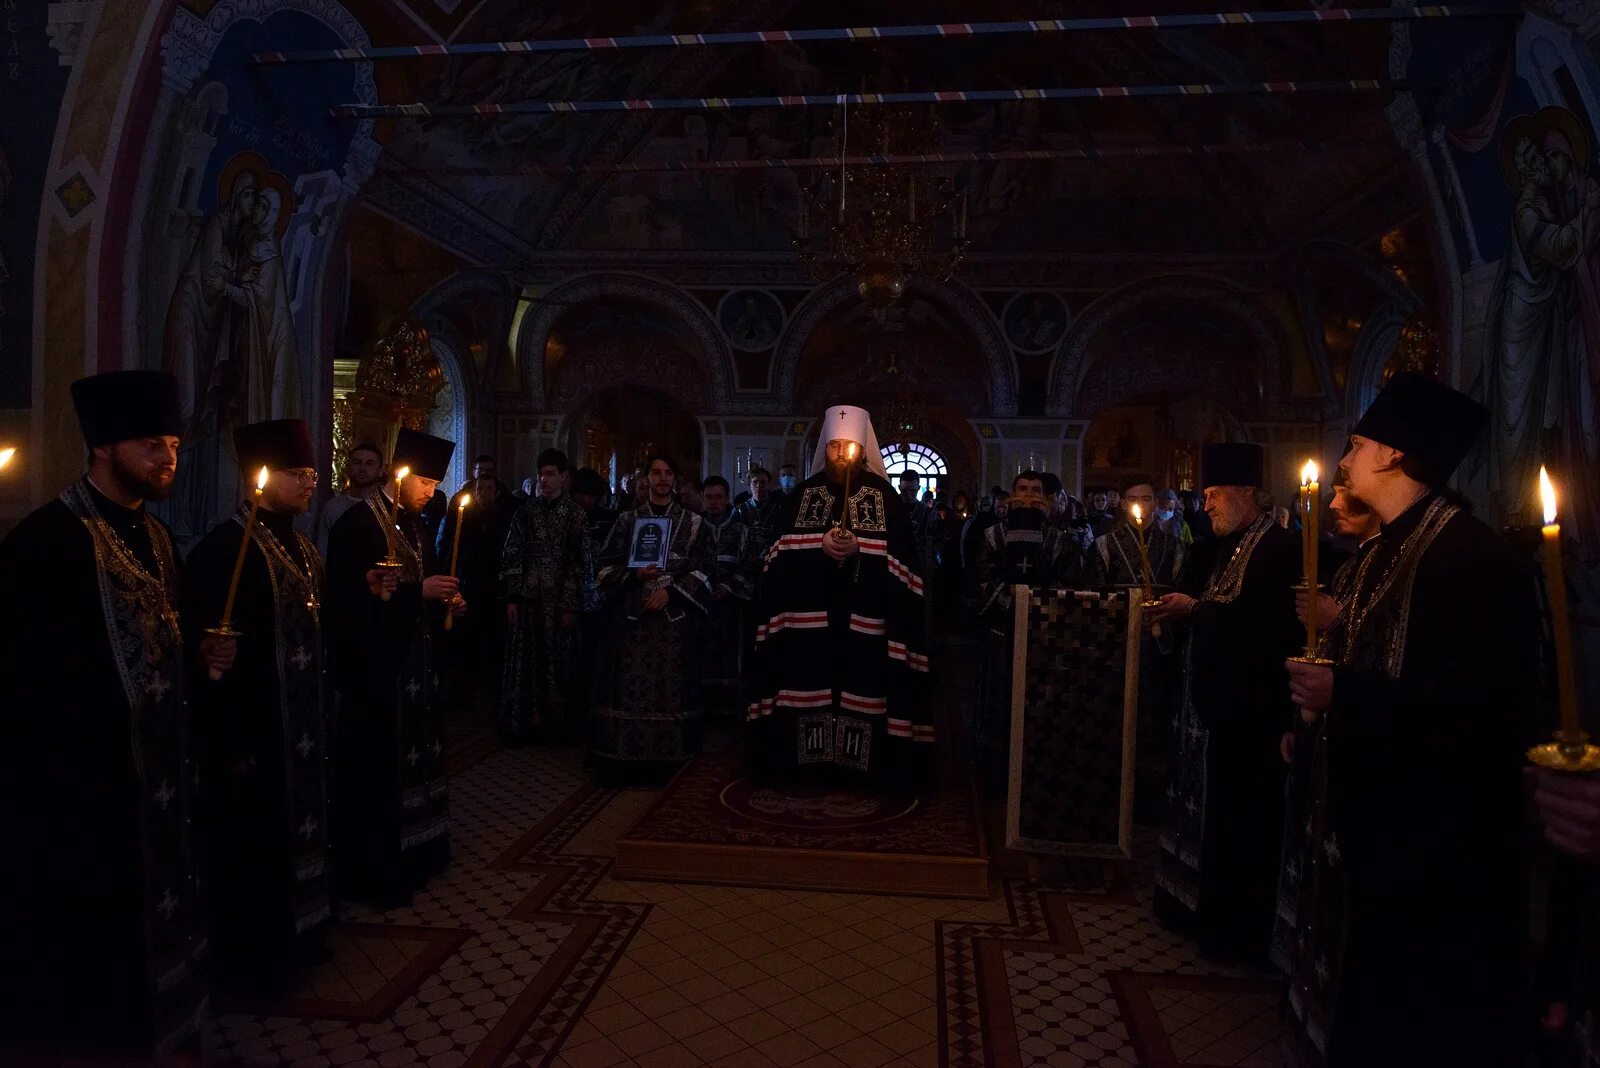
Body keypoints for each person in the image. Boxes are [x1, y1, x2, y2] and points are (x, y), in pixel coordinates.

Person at [1281, 374, 1533, 1067]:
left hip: (1429, 842)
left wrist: (1345, 698)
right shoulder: (1381, 550)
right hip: (1367, 825)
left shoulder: (1471, 558)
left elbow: (1482, 709)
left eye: (1357, 446)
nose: (1344, 461)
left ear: (1393, 455)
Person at [0, 371, 231, 1054]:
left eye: (172, 443)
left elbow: (164, 651)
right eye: (151, 445)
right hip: (83, 795)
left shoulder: (158, 540)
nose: (168, 458)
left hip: (158, 785)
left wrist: (202, 658)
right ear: (102, 447)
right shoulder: (44, 544)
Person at [182, 418, 331, 995]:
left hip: (304, 728)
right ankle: (257, 955)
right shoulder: (225, 550)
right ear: (262, 478)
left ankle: (306, 930)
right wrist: (232, 741)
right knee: (253, 845)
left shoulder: (305, 548)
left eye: (313, 474)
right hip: (258, 731)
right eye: (298, 474)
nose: (308, 485)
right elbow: (209, 652)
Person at [1145, 442, 1301, 963]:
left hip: (1249, 715)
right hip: (1208, 712)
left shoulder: (1279, 549)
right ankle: (1188, 905)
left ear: (1246, 495)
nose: (1205, 505)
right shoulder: (1226, 547)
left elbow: (1266, 630)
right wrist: (1177, 616)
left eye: (1213, 495)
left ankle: (1231, 930)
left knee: (1242, 825)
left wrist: (1196, 610)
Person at [747, 406, 934, 794]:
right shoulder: (803, 494)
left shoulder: (885, 497)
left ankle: (863, 769)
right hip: (808, 621)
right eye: (834, 445)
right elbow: (774, 556)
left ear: (863, 449)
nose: (840, 454)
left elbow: (907, 565)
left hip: (867, 621)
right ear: (825, 448)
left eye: (848, 445)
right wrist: (819, 544)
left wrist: (859, 550)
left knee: (862, 686)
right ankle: (803, 765)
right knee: (807, 680)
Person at [324, 428, 464, 907]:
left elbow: (419, 585)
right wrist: (416, 593)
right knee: (377, 767)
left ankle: (421, 847)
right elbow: (344, 601)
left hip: (416, 672)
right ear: (399, 473)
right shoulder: (358, 526)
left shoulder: (415, 525)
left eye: (433, 483)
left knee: (417, 757)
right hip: (377, 677)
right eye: (424, 481)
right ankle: (379, 866)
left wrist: (446, 599)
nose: (430, 491)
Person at [593, 454, 715, 773]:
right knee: (629, 686)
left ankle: (670, 758)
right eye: (656, 473)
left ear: (674, 479)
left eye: (668, 473)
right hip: (633, 618)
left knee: (671, 688)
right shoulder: (627, 521)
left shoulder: (693, 522)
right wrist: (634, 576)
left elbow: (705, 568)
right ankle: (629, 758)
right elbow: (603, 567)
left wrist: (670, 592)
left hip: (675, 620)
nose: (662, 479)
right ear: (645, 479)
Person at [967, 472, 1082, 796]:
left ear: (1046, 499)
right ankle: (994, 776)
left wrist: (1038, 604)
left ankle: (1038, 772)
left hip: (1043, 638)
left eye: (1036, 491)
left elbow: (1070, 584)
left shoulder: (1059, 540)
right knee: (998, 705)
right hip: (1000, 635)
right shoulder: (992, 536)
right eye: (1022, 489)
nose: (1029, 496)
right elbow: (978, 581)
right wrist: (1011, 602)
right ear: (1012, 494)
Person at [498, 449, 593, 747]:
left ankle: (559, 728)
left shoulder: (576, 516)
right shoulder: (525, 512)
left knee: (560, 662)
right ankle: (524, 723)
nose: (545, 480)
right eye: (541, 474)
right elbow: (511, 552)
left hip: (559, 603)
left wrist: (569, 603)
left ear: (563, 478)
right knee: (525, 661)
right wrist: (512, 596)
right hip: (528, 599)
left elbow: (581, 562)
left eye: (551, 474)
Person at [437, 455, 518, 717]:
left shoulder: (509, 507)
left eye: (488, 487)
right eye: (479, 487)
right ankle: (461, 696)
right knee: (464, 644)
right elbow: (448, 541)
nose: (483, 492)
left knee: (496, 646)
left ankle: (496, 700)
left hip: (495, 587)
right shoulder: (462, 504)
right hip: (467, 582)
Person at [699, 475, 761, 716]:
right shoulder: (694, 528)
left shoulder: (742, 530)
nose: (714, 502)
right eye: (709, 497)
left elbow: (752, 564)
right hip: (700, 603)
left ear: (726, 499)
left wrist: (729, 586)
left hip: (733, 606)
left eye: (719, 497)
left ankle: (729, 709)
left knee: (732, 654)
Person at [1084, 477, 1186, 593]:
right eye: (1133, 499)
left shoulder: (1175, 546)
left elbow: (1183, 591)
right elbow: (1093, 591)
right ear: (1123, 504)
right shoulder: (1104, 545)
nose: (1140, 504)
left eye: (1146, 499)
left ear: (1155, 503)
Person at [315, 440, 384, 555]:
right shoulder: (333, 507)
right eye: (357, 462)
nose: (363, 468)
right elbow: (323, 551)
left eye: (370, 463)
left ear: (380, 470)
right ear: (348, 467)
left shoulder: (386, 509)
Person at [737, 465, 785, 554]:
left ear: (769, 485)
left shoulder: (777, 509)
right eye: (755, 482)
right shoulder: (741, 510)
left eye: (763, 482)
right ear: (749, 486)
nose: (759, 486)